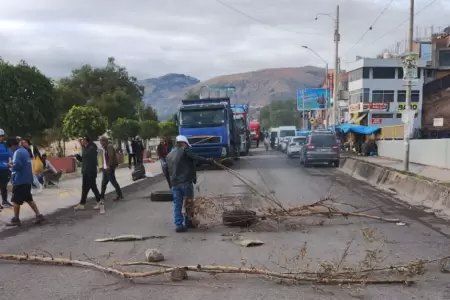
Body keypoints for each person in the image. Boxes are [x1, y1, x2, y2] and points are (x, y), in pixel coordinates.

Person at [166, 135, 213, 233]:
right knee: (189, 203)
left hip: (175, 184)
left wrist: (170, 184)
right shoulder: (185, 150)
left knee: (177, 204)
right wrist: (209, 161)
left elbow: (166, 170)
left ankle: (179, 225)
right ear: (184, 143)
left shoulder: (169, 155)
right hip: (186, 182)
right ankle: (188, 221)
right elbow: (196, 157)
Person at [6, 138, 45, 227]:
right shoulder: (24, 151)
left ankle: (16, 219)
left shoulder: (17, 153)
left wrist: (10, 165)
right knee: (29, 199)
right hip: (27, 179)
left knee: (15, 201)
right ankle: (39, 215)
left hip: (20, 180)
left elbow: (17, 166)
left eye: (9, 147)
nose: (10, 149)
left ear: (12, 145)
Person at [74, 137, 101, 210]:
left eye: (82, 140)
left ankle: (100, 202)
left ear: (86, 140)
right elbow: (84, 160)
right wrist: (78, 157)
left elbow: (91, 159)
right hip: (85, 171)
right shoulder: (84, 148)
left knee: (93, 187)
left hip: (91, 172)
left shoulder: (92, 147)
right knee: (85, 189)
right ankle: (82, 204)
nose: (80, 141)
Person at [99, 136, 123, 203]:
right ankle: (102, 196)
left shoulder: (109, 147)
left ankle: (120, 195)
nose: (101, 142)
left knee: (113, 182)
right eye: (100, 141)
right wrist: (103, 166)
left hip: (109, 168)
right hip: (105, 168)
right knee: (104, 183)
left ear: (105, 141)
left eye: (102, 141)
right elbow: (104, 158)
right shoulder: (103, 148)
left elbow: (111, 156)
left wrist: (109, 166)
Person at [0, 129, 13, 210]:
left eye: (2, 136)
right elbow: (7, 154)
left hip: (5, 168)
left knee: (4, 186)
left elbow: (10, 153)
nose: (1, 137)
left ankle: (4, 201)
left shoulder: (5, 145)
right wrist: (5, 155)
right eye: (0, 136)